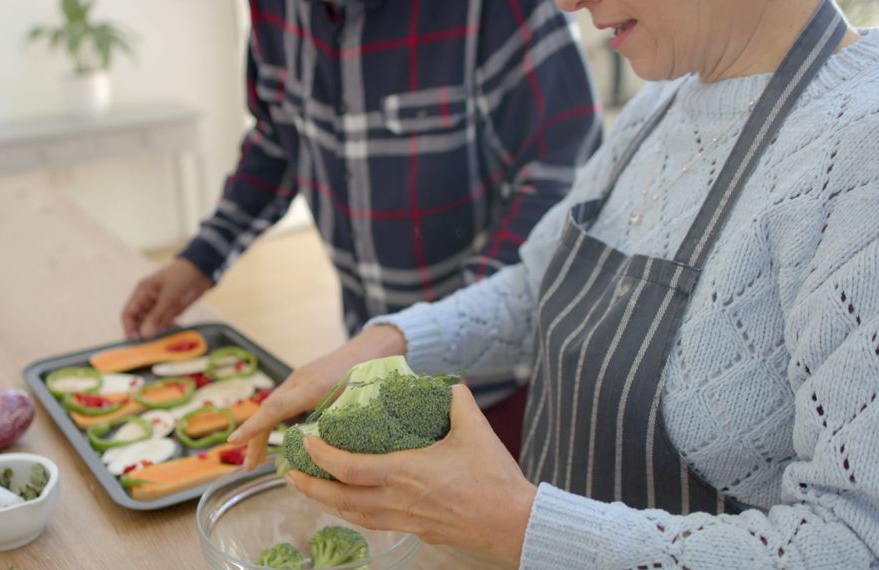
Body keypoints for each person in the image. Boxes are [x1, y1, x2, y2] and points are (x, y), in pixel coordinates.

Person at [229, 0, 879, 566]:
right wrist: (381, 344)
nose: (568, 1)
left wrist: (515, 523)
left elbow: (863, 545)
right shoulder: (661, 106)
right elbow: (533, 290)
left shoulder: (877, 149)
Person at [121, 0, 602, 453]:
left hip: (506, 381)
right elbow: (277, 139)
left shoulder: (503, 8)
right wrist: (201, 258)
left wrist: (460, 328)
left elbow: (561, 177)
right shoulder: (274, 10)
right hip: (368, 358)